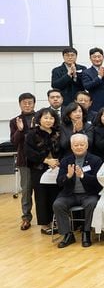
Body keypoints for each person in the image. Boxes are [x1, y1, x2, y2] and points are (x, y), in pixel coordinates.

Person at [53, 133, 103, 248]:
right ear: (71, 147)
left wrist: (83, 176)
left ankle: (86, 233)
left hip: (88, 194)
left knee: (92, 203)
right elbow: (59, 182)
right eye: (76, 145)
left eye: (81, 144)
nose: (79, 147)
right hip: (69, 194)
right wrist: (68, 176)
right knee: (58, 204)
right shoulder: (65, 161)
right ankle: (67, 234)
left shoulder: (96, 160)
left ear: (87, 145)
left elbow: (98, 181)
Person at [25, 108, 62, 234]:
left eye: (51, 118)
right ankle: (45, 225)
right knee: (41, 196)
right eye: (45, 118)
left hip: (56, 167)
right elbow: (29, 152)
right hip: (39, 168)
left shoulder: (57, 132)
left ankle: (55, 221)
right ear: (39, 119)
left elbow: (62, 149)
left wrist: (58, 161)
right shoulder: (32, 134)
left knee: (55, 194)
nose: (48, 120)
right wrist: (46, 161)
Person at [11, 93, 36, 230]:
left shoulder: (40, 117)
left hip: (40, 160)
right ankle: (26, 217)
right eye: (24, 103)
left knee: (43, 190)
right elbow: (14, 142)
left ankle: (48, 218)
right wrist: (20, 130)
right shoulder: (14, 121)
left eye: (30, 102)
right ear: (20, 104)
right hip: (24, 161)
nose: (27, 105)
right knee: (26, 190)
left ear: (34, 104)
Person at [79, 47, 104, 112]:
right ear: (90, 58)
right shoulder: (86, 72)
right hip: (95, 105)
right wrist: (99, 77)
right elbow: (87, 86)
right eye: (94, 57)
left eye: (99, 56)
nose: (97, 59)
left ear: (103, 57)